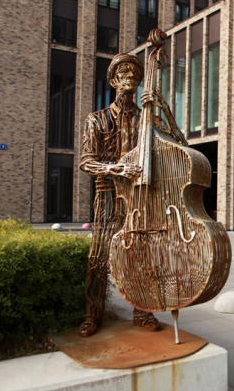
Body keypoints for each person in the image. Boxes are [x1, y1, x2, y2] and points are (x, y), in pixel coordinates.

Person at [78, 53, 160, 337]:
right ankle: (93, 314)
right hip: (108, 194)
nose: (130, 77)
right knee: (98, 256)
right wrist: (116, 168)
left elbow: (178, 146)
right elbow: (86, 161)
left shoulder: (147, 119)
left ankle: (143, 310)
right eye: (123, 72)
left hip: (140, 197)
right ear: (113, 79)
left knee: (142, 255)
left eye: (135, 74)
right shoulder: (96, 120)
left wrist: (161, 109)